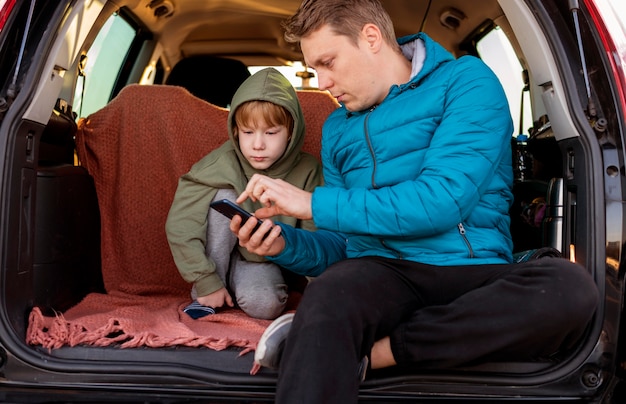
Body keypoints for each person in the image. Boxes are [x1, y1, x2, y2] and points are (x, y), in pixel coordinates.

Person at [230, 0, 599, 402]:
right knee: (332, 292)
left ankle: (372, 351)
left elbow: (442, 200)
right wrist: (284, 244)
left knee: (570, 289)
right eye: (315, 69)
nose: (321, 83)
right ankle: (337, 334)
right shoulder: (338, 128)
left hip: (468, 273)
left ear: (371, 38)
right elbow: (344, 245)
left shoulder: (466, 82)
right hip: (381, 275)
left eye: (328, 62)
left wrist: (312, 204)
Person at [165, 67, 323, 320]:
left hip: (261, 260)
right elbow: (181, 225)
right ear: (236, 130)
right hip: (214, 257)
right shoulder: (216, 165)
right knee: (222, 196)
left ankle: (234, 282)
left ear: (291, 132)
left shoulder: (308, 169)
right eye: (248, 132)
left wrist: (324, 296)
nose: (258, 144)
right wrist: (206, 281)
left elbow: (317, 236)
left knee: (266, 306)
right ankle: (211, 293)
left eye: (271, 133)